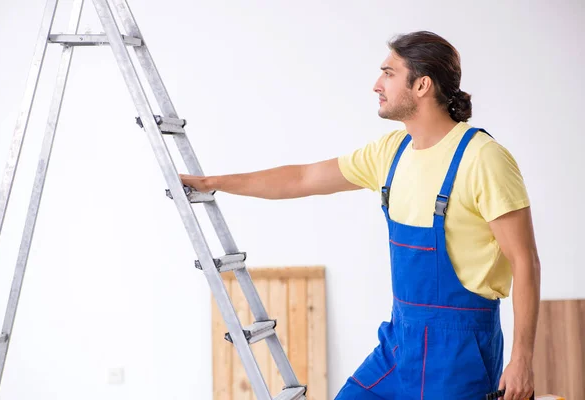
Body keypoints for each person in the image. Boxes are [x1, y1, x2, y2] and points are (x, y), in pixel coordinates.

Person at [179, 31, 540, 400]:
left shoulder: (482, 158)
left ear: (422, 85)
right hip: (400, 342)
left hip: (459, 354)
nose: (376, 84)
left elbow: (524, 260)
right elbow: (302, 178)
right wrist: (215, 182)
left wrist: (522, 358)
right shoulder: (392, 152)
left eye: (388, 73)